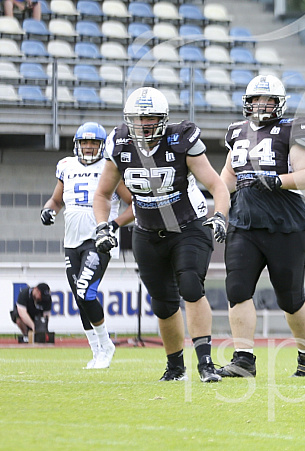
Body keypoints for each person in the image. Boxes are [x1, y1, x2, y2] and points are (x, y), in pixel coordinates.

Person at [93, 87, 231, 383]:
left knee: (191, 286)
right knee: (163, 303)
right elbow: (103, 194)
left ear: (163, 118)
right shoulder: (118, 143)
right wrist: (103, 225)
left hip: (187, 226)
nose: (143, 124)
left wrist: (219, 216)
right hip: (146, 230)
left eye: (150, 117)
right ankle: (175, 367)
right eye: (137, 118)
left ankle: (205, 363)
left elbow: (218, 186)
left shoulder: (181, 140)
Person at [216, 75, 305, 378]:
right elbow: (227, 176)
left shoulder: (293, 129)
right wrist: (220, 213)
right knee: (237, 289)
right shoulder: (236, 132)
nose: (261, 105)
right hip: (244, 221)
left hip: (284, 223)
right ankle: (243, 359)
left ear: (279, 103)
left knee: (290, 298)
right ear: (247, 103)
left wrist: (278, 180)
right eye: (256, 100)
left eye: (268, 100)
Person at [41, 122, 134, 369]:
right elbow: (56, 200)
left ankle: (107, 346)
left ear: (102, 145)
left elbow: (134, 204)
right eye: (85, 142)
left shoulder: (109, 167)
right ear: (77, 144)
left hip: (98, 240)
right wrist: (49, 210)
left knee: (85, 291)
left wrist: (113, 224)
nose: (89, 147)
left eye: (94, 142)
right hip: (71, 241)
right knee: (79, 297)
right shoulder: (66, 166)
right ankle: (97, 351)